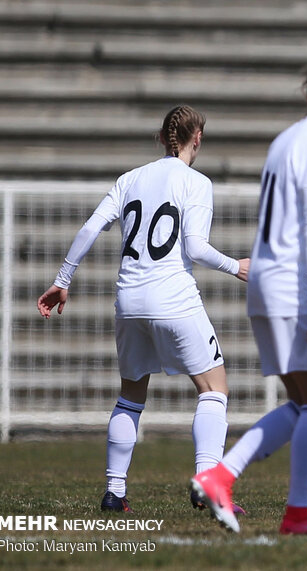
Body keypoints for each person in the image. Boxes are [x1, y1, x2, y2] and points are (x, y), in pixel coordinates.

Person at [36, 105, 249, 513]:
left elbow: (90, 227)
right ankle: (208, 483)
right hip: (174, 299)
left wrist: (63, 280)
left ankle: (114, 492)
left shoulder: (129, 179)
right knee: (214, 389)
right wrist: (235, 266)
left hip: (129, 301)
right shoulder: (196, 182)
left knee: (131, 394)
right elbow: (195, 247)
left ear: (163, 137)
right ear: (197, 138)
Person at [190, 45, 307, 535]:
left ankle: (222, 477)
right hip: (293, 285)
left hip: (264, 279)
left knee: (303, 402)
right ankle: (293, 511)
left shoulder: (285, 139)